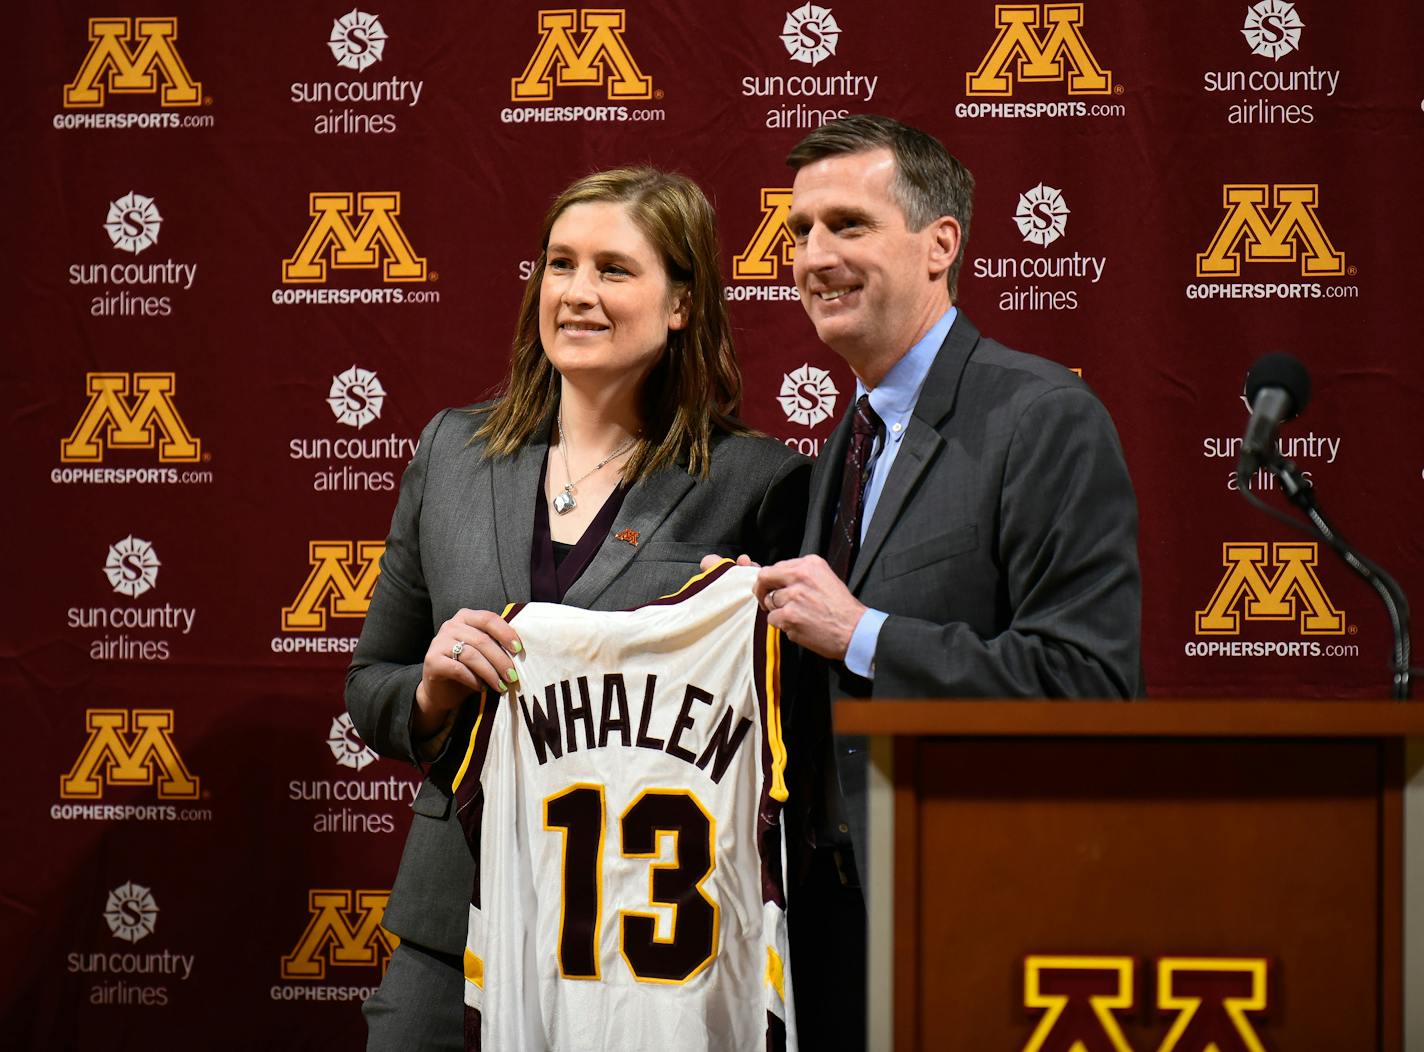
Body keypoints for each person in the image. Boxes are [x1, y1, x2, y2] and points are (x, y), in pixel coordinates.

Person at [347, 166, 810, 1051]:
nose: (577, 293)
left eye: (614, 269)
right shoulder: (453, 453)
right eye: (560, 265)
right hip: (456, 931)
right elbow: (372, 683)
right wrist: (432, 692)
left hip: (647, 957)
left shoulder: (757, 484)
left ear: (682, 303)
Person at [727, 114, 1143, 1048]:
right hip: (829, 923)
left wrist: (862, 633)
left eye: (847, 225)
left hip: (981, 914)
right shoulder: (847, 441)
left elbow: (1092, 687)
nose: (811, 256)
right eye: (798, 232)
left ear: (940, 244)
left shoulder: (1041, 417)